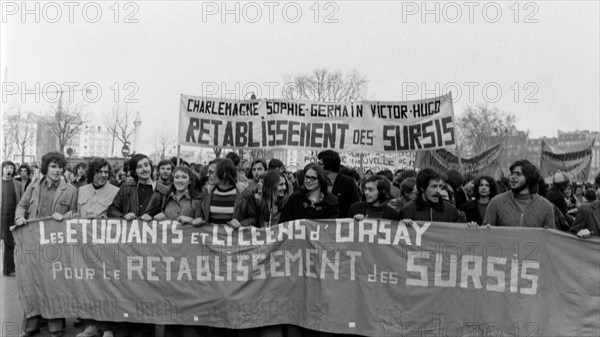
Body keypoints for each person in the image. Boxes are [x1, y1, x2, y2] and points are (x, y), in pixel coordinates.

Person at [14, 152, 77, 337]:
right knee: (32, 282)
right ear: (45, 168)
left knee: (54, 283)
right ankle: (31, 324)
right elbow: (22, 205)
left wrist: (65, 217)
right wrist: (19, 216)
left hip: (55, 245)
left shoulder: (71, 190)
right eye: (53, 167)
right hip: (33, 241)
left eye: (60, 167)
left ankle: (55, 324)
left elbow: (76, 214)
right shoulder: (33, 186)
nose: (57, 171)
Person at [71, 158, 119, 337]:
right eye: (99, 172)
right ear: (92, 172)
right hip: (84, 246)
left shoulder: (116, 191)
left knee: (105, 286)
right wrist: (70, 215)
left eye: (106, 172)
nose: (103, 175)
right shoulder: (81, 191)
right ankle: (90, 326)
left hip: (105, 246)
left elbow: (118, 216)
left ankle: (107, 328)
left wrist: (104, 220)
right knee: (86, 285)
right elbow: (77, 213)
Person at [482, 160, 555, 228]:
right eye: (512, 173)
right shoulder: (496, 202)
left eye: (518, 174)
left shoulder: (545, 206)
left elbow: (550, 238)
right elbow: (486, 233)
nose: (512, 177)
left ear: (529, 178)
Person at [193, 158, 251, 228]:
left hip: (234, 237)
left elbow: (253, 218)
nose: (208, 175)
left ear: (224, 174)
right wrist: (199, 220)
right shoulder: (207, 192)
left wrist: (241, 223)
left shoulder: (244, 193)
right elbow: (201, 217)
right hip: (212, 238)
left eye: (211, 172)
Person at [107, 154, 169, 219]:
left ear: (151, 167)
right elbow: (111, 210)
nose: (144, 169)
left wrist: (155, 217)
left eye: (146, 165)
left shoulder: (164, 191)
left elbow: (169, 214)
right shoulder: (126, 188)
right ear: (134, 171)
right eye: (139, 167)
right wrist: (124, 216)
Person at [317, 150, 360, 218]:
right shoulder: (317, 181)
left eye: (320, 164)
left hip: (342, 225)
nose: (317, 166)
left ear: (329, 165)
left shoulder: (348, 182)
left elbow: (355, 205)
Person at [1, 161, 24, 276]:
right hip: (1, 217)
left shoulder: (18, 184)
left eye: (11, 168)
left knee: (9, 244)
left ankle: (8, 269)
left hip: (11, 217)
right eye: (6, 168)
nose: (9, 170)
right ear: (2, 170)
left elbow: (22, 202)